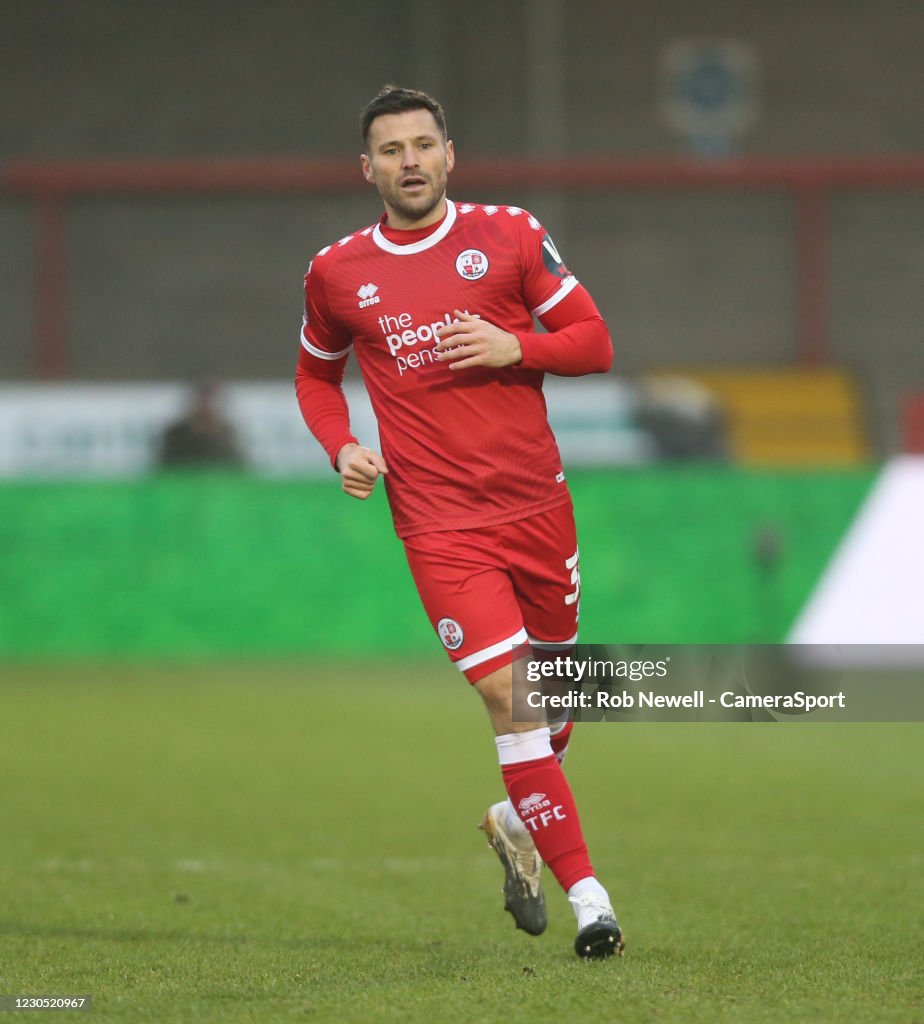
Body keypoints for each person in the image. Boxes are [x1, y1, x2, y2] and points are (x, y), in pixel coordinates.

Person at [295, 85, 623, 959]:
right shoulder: (337, 271)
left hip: (537, 507)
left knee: (558, 702)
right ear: (367, 170)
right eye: (391, 150)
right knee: (505, 696)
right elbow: (314, 376)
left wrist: (521, 347)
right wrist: (341, 447)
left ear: (450, 155)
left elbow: (594, 342)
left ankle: (515, 820)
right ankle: (593, 903)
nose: (409, 161)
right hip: (440, 525)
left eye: (422, 145)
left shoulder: (510, 234)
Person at [158, 380, 244, 469]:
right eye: (201, 399)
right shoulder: (175, 435)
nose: (206, 405)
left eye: (210, 399)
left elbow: (237, 467)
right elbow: (164, 466)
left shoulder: (227, 434)